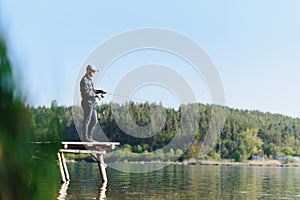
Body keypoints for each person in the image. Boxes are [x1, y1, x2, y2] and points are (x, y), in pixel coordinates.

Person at [80, 64, 106, 142]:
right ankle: (85, 138)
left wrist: (100, 91)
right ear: (88, 71)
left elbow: (92, 90)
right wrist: (96, 95)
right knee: (87, 120)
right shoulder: (84, 80)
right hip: (87, 103)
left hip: (93, 103)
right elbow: (86, 93)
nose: (94, 73)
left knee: (95, 121)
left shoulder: (90, 80)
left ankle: (90, 137)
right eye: (93, 71)